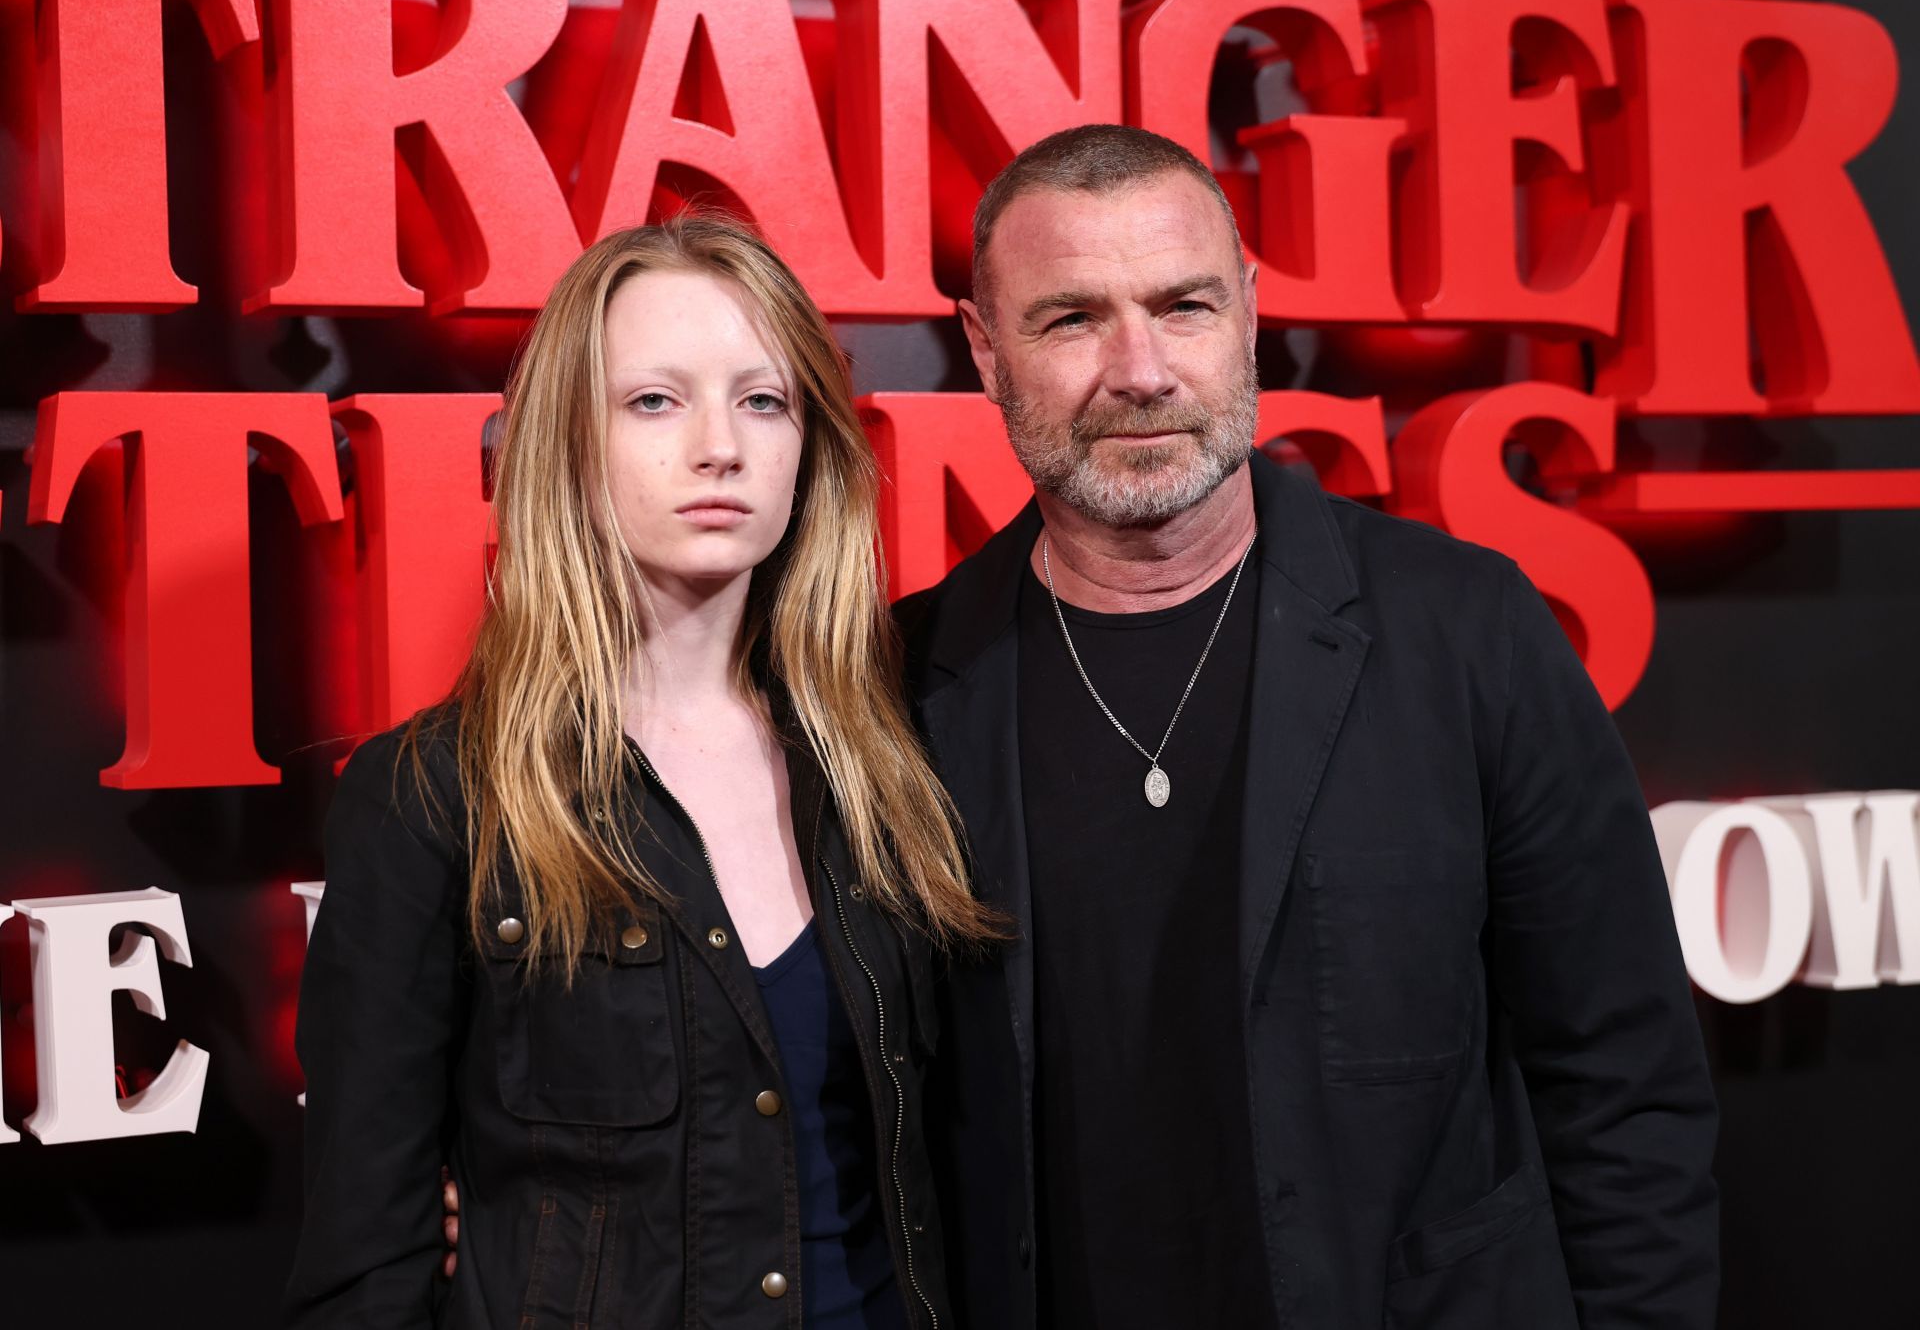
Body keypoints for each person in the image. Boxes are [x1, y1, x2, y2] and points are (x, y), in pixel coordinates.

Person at [899, 125, 1720, 1329]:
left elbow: (1625, 1087)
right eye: (1070, 320)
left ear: (1249, 311)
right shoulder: (894, 682)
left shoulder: (1468, 631)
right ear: (986, 349)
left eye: (1182, 306)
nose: (1140, 369)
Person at [286, 216, 996, 1330]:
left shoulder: (894, 756)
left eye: (764, 401)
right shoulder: (437, 798)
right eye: (654, 401)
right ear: (570, 440)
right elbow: (359, 1261)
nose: (721, 447)